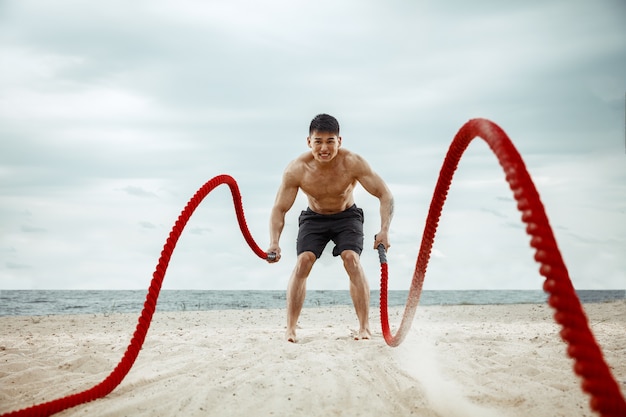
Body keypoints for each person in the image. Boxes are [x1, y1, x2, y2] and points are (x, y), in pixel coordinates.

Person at [266, 113, 394, 343]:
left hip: (347, 216)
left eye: (330, 141)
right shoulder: (297, 169)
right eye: (318, 142)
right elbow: (279, 209)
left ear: (339, 141)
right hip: (314, 218)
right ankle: (291, 329)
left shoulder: (353, 163)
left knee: (351, 259)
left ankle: (364, 327)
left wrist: (384, 230)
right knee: (303, 261)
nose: (324, 148)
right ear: (309, 142)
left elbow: (384, 194)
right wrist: (274, 241)